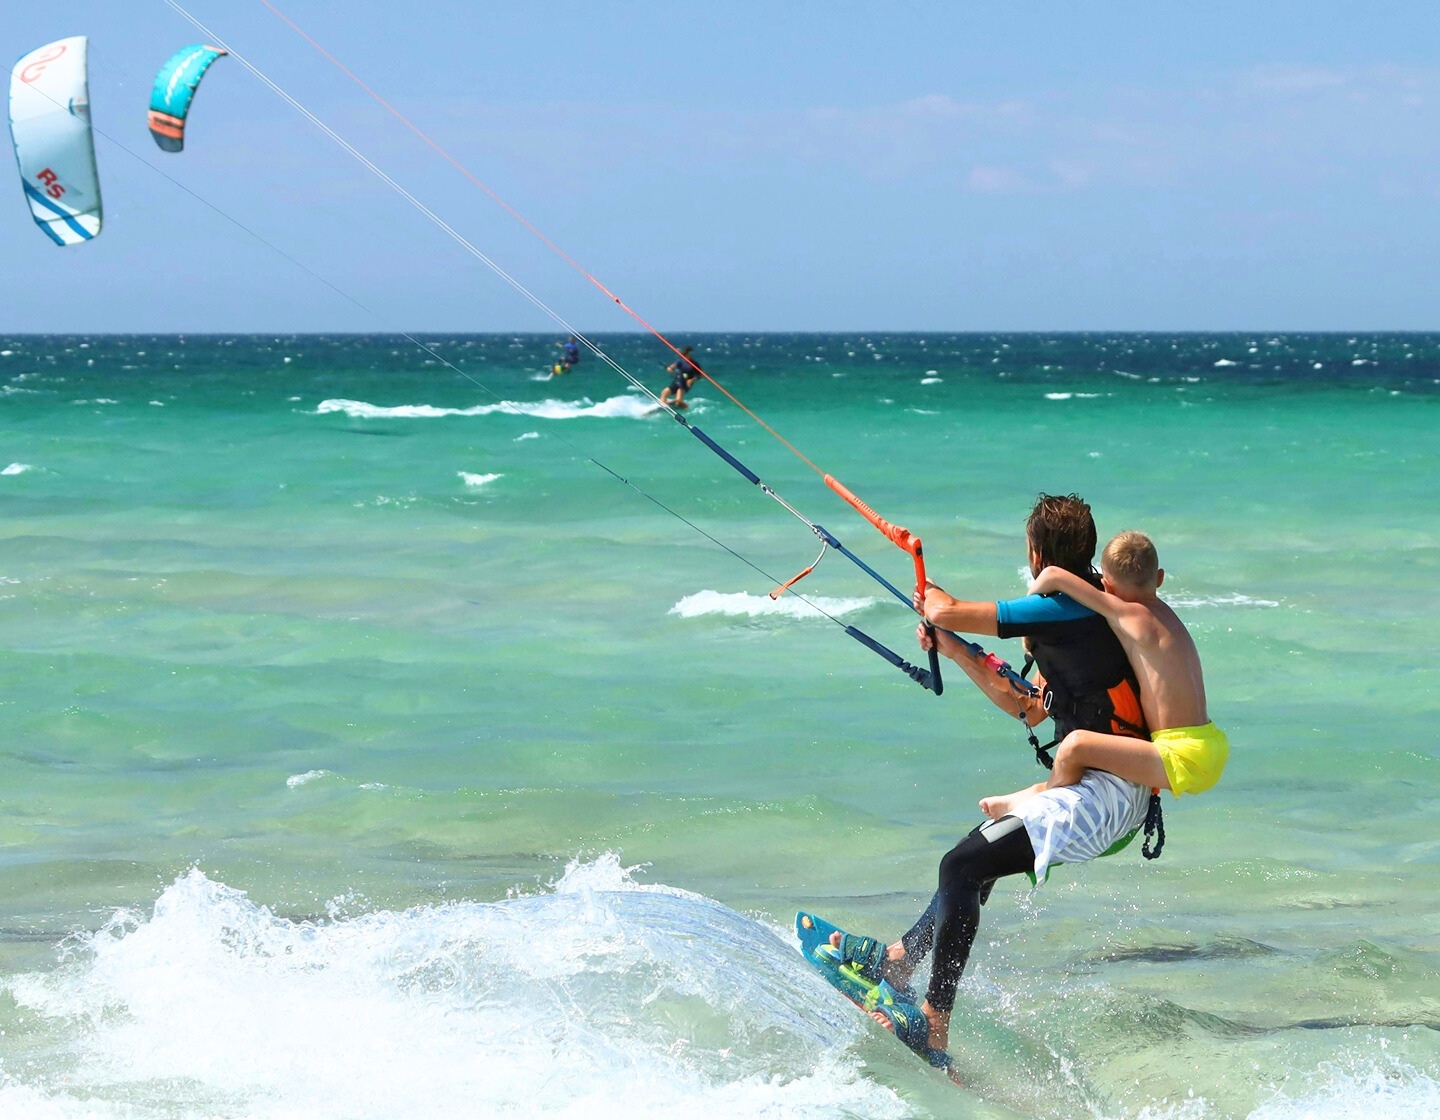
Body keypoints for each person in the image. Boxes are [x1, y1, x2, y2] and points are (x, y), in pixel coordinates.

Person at [824, 494, 1154, 1069]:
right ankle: (902, 960)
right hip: (1100, 781)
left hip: (1109, 792)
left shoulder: (1066, 611)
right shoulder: (1083, 608)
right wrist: (950, 650)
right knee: (983, 851)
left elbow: (951, 608)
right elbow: (1028, 707)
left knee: (961, 864)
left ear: (1036, 552)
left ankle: (933, 1022)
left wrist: (937, 611)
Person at [979, 530, 1229, 818]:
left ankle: (1039, 807)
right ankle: (1026, 796)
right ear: (1159, 577)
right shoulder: (1165, 616)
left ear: (1106, 586)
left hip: (1181, 755)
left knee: (1075, 746)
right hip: (1211, 743)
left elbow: (1053, 575)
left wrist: (1029, 628)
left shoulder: (1129, 614)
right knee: (1077, 756)